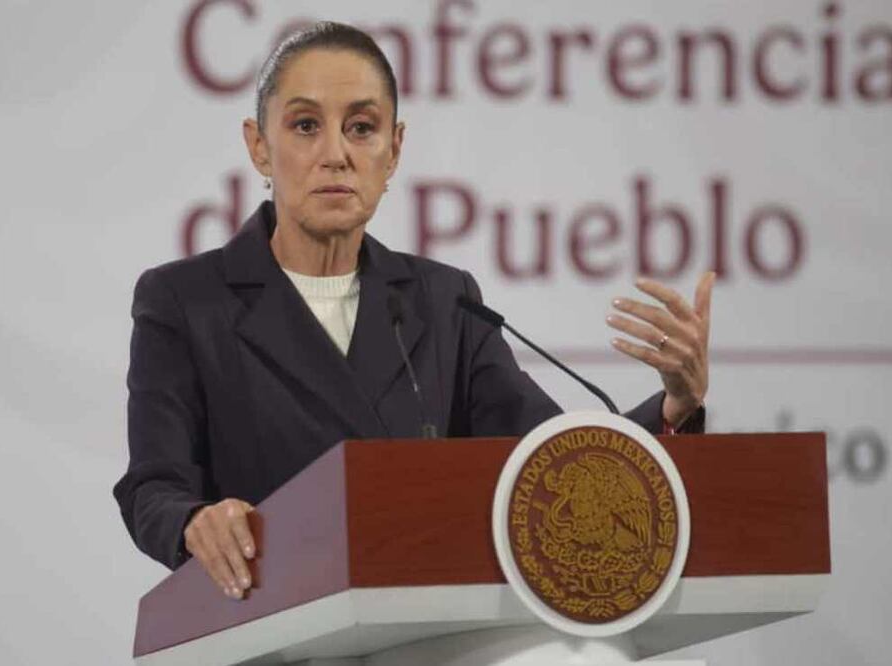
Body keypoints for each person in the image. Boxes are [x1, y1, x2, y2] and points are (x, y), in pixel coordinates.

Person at [113, 22, 713, 602]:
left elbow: (553, 464)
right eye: (304, 125)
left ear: (394, 149)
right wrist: (194, 520)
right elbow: (153, 487)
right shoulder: (186, 302)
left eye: (362, 128)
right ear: (259, 147)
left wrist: (672, 408)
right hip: (268, 628)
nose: (336, 154)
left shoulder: (444, 301)